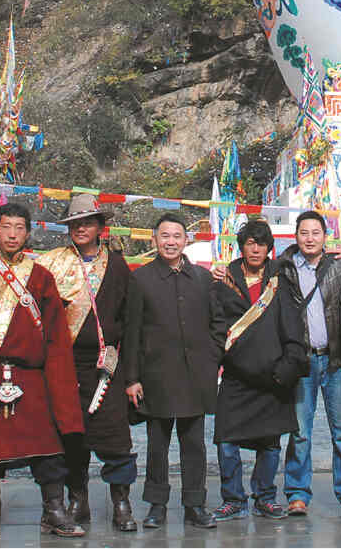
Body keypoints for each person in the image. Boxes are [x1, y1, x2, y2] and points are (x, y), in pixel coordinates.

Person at [0, 202, 85, 539]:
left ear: (28, 232)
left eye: (20, 227)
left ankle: (53, 510)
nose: (13, 234)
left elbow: (55, 331)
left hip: (30, 374)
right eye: (6, 226)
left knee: (48, 445)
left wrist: (59, 379)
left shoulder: (39, 276)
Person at [34, 193, 139, 532]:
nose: (81, 228)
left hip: (107, 365)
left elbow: (132, 322)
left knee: (115, 437)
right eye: (75, 223)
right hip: (65, 365)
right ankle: (76, 497)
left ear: (99, 227)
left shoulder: (118, 265)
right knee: (71, 435)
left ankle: (120, 502)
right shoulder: (53, 263)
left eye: (87, 223)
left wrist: (131, 373)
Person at [209, 219, 309, 521]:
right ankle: (233, 499)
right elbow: (216, 327)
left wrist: (288, 366)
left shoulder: (280, 280)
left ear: (269, 248)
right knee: (226, 441)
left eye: (261, 243)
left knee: (270, 442)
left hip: (273, 376)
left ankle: (265, 497)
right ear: (242, 246)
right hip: (236, 375)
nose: (255, 249)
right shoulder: (223, 280)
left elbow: (293, 325)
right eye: (250, 243)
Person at [124, 214, 219, 529]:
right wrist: (133, 378)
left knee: (194, 443)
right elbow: (132, 332)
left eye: (177, 236)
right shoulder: (141, 279)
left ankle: (195, 504)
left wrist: (212, 357)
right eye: (164, 236)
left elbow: (217, 324)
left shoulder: (203, 279)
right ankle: (157, 504)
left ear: (186, 240)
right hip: (157, 375)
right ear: (154, 240)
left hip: (195, 374)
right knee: (157, 444)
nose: (171, 242)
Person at [273, 210, 341, 515]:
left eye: (315, 233)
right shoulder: (283, 269)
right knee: (300, 430)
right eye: (304, 233)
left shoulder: (340, 267)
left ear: (325, 237)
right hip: (302, 362)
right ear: (295, 236)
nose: (309, 238)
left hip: (336, 360)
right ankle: (298, 493)